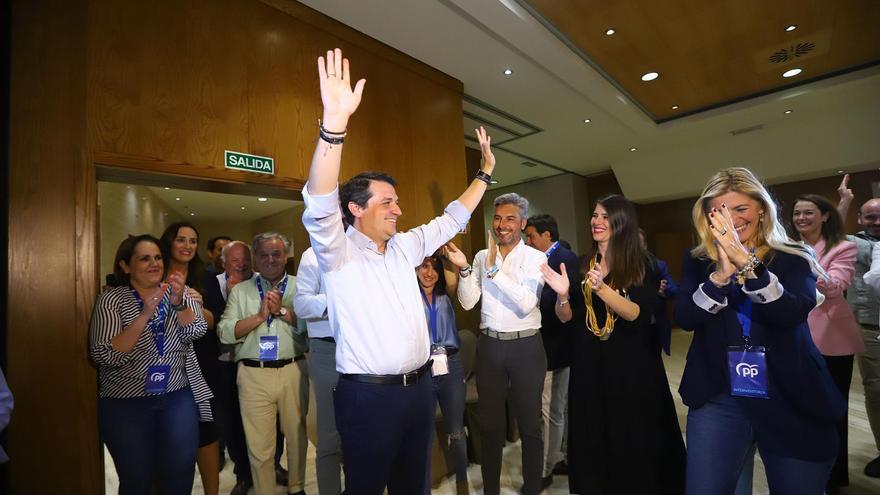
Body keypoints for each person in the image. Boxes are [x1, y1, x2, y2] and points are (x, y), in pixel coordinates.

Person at [301, 48, 495, 494]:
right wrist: (334, 125)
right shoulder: (338, 252)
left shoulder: (404, 247)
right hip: (368, 397)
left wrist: (484, 174)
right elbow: (319, 199)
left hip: (419, 390)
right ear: (355, 208)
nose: (398, 209)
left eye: (397, 201)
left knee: (415, 486)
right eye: (387, 201)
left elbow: (451, 220)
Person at [675, 167, 844, 495]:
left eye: (741, 208)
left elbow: (791, 313)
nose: (732, 219)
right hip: (719, 395)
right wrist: (720, 277)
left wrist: (746, 263)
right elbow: (686, 317)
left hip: (789, 393)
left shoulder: (793, 257)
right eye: (719, 211)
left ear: (762, 210)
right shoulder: (698, 260)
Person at [540, 195, 685, 494]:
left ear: (622, 222)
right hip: (591, 363)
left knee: (632, 435)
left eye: (605, 217)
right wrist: (563, 296)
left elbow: (637, 313)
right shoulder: (582, 264)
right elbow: (567, 318)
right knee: (595, 433)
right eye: (595, 215)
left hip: (633, 365)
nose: (597, 221)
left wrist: (603, 288)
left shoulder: (643, 264)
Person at [89, 234, 207, 494]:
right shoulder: (112, 300)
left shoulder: (178, 293)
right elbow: (104, 355)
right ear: (125, 266)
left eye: (157, 258)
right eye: (144, 258)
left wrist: (177, 303)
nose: (154, 263)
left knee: (180, 473)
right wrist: (144, 316)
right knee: (136, 479)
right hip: (126, 403)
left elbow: (195, 331)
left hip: (177, 397)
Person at [452, 193, 546, 495]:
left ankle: (532, 487)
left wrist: (494, 271)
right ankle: (490, 489)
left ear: (522, 222)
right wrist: (467, 269)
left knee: (530, 425)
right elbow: (468, 302)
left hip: (526, 347)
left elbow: (526, 303)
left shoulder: (537, 258)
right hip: (490, 346)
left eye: (509, 219)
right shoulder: (481, 256)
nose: (502, 225)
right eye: (497, 218)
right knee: (491, 426)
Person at [218, 232, 309, 495]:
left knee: (296, 437)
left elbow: (311, 330)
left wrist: (282, 312)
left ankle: (297, 487)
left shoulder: (299, 286)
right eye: (264, 255)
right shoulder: (241, 291)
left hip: (293, 369)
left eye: (276, 254)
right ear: (255, 259)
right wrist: (260, 316)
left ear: (285, 257)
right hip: (253, 375)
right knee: (260, 446)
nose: (270, 260)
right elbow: (224, 332)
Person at [791, 194, 863, 493]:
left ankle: (834, 477)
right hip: (794, 337)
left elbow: (835, 287)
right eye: (796, 213)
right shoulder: (789, 248)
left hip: (831, 341)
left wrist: (809, 263)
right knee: (801, 408)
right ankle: (804, 468)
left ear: (824, 217)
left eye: (808, 212)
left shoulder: (843, 247)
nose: (801, 218)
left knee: (833, 410)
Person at [159, 221, 219, 495]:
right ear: (169, 242)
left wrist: (195, 305)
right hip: (164, 362)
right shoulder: (155, 274)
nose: (187, 246)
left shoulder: (204, 277)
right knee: (169, 434)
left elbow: (213, 321)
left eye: (193, 241)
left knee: (206, 430)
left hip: (202, 360)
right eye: (181, 239)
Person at [524, 213, 581, 487]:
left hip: (555, 347)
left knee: (551, 410)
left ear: (548, 235)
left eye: (531, 235)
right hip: (557, 347)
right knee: (559, 408)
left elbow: (553, 306)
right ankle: (562, 457)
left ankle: (544, 470)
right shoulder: (552, 258)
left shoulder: (562, 260)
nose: (528, 240)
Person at [203, 240, 257, 495]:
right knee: (232, 421)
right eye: (234, 260)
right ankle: (243, 474)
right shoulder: (211, 285)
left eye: (245, 258)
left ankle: (272, 465)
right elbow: (212, 324)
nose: (241, 264)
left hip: (256, 362)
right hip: (224, 366)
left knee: (267, 421)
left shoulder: (260, 281)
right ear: (223, 262)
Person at [415, 252, 470, 495]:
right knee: (423, 433)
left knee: (456, 432)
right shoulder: (408, 297)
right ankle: (422, 485)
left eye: (434, 267)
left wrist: (443, 251)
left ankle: (462, 484)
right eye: (424, 267)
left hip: (451, 365)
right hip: (423, 368)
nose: (429, 272)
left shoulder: (445, 293)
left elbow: (451, 278)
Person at [293, 245, 343, 495]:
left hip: (366, 349)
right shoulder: (312, 255)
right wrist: (338, 299)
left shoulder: (366, 251)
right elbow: (301, 304)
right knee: (330, 435)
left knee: (365, 434)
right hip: (327, 349)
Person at [839, 176, 880, 478]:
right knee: (876, 390)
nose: (877, 221)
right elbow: (828, 235)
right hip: (868, 327)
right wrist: (844, 201)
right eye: (871, 216)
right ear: (861, 218)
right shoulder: (852, 244)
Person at [639, 229, 679, 355]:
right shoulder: (618, 267)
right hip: (626, 325)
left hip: (653, 324)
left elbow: (675, 291)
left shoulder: (658, 265)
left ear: (644, 245)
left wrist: (663, 290)